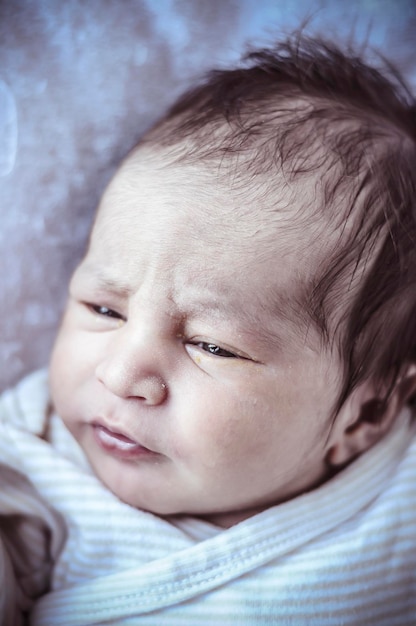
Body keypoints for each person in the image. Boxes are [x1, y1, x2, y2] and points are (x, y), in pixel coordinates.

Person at [1, 32, 415, 625]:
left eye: (211, 346)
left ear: (367, 414)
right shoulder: (39, 456)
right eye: (104, 309)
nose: (119, 375)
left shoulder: (400, 502)